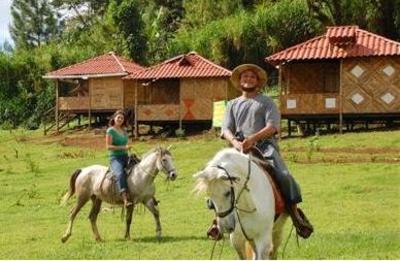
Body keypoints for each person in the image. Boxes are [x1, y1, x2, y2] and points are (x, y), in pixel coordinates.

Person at [221, 64, 314, 239]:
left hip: (264, 147)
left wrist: (253, 139)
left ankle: (295, 214)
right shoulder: (232, 104)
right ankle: (217, 222)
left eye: (252, 77)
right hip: (238, 148)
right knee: (218, 178)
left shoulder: (267, 102)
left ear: (257, 82)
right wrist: (234, 142)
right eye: (245, 77)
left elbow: (273, 126)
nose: (248, 79)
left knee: (284, 175)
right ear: (240, 81)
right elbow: (226, 128)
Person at [106, 110, 133, 208]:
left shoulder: (125, 131)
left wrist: (128, 148)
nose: (120, 119)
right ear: (114, 118)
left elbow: (126, 144)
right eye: (118, 117)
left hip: (126, 156)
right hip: (115, 158)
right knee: (120, 173)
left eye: (122, 118)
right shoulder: (110, 131)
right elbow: (108, 146)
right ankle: (125, 198)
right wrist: (123, 148)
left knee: (140, 168)